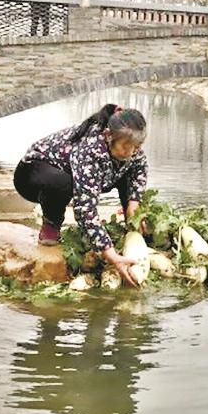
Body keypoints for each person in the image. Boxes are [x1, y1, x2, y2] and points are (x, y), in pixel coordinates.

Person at [14, 103, 150, 286]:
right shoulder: (91, 150)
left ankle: (131, 228)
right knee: (63, 183)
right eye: (127, 146)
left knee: (128, 171)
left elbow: (139, 169)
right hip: (32, 176)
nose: (132, 152)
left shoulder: (129, 146)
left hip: (84, 172)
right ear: (108, 137)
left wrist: (134, 203)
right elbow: (85, 211)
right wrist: (110, 255)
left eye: (137, 146)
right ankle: (51, 224)